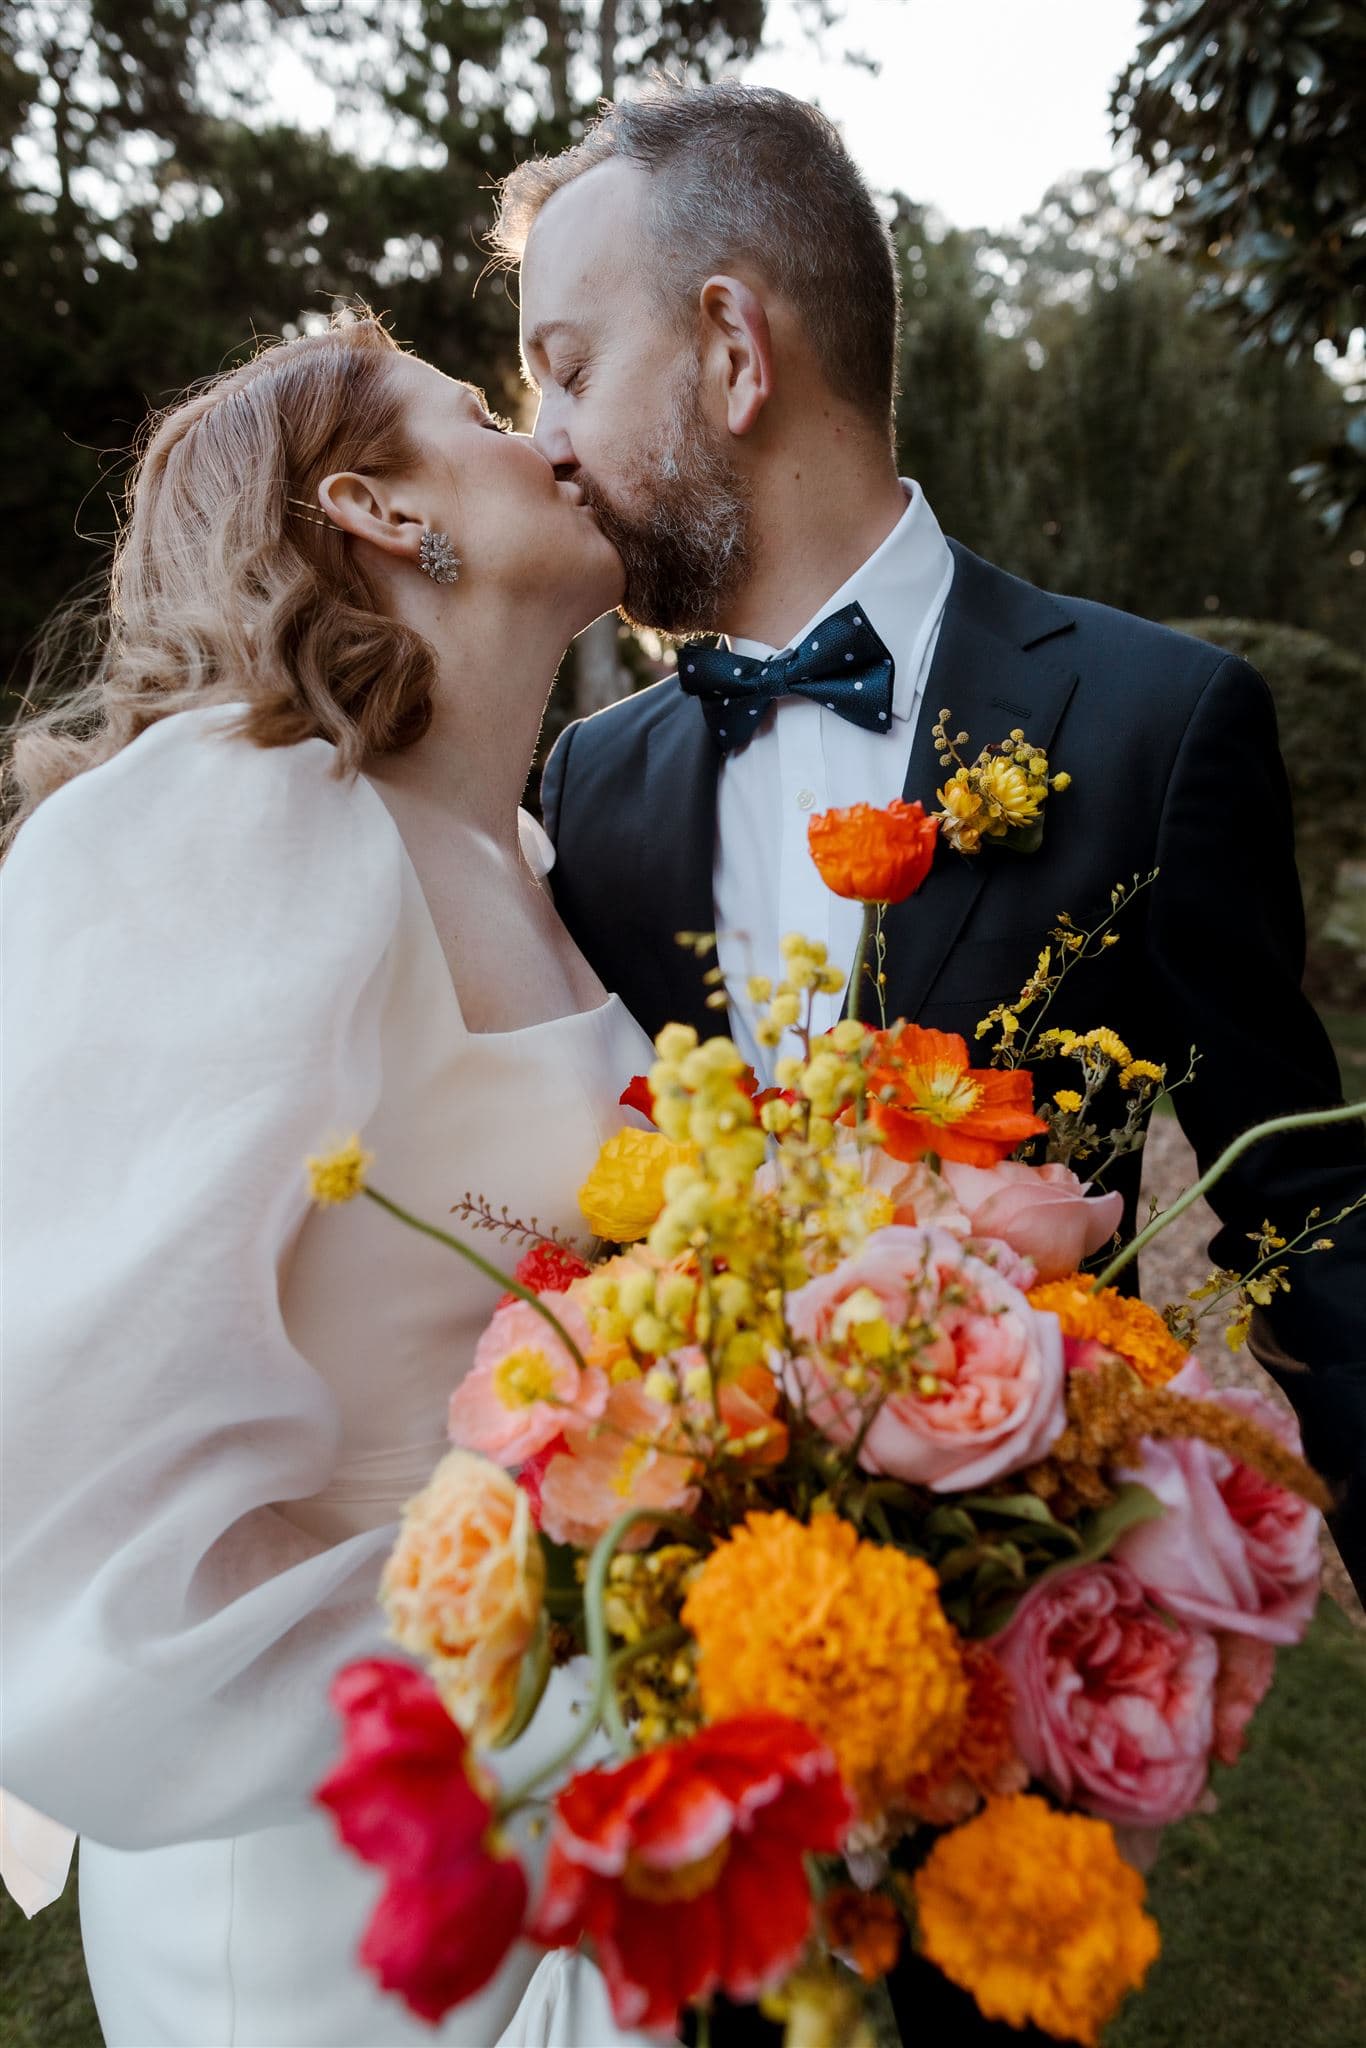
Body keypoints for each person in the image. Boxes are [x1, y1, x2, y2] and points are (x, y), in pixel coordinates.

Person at [495, 79, 1366, 2044]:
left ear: (728, 348)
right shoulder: (587, 783)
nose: (533, 444)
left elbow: (1300, 1210)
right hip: (677, 1752)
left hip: (1004, 1759)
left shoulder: (1153, 724)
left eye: (562, 365)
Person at [0, 311, 662, 2046]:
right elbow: (65, 1489)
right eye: (486, 410)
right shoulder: (230, 820)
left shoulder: (521, 858)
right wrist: (508, 1678)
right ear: (376, 507)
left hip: (575, 1798)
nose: (556, 439)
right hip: (324, 1865)